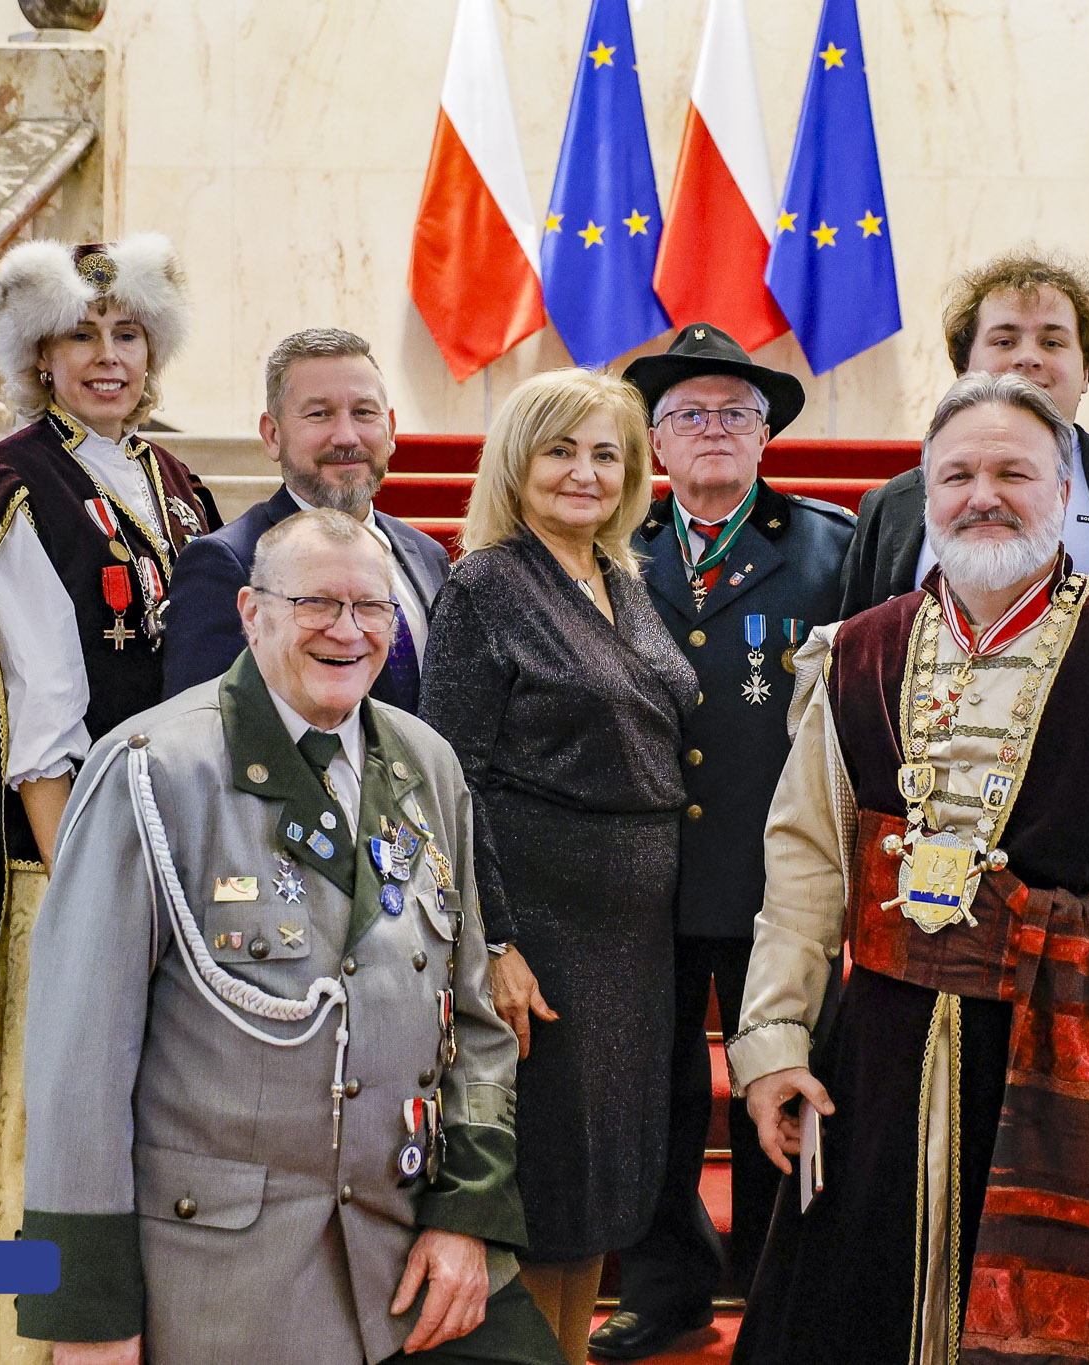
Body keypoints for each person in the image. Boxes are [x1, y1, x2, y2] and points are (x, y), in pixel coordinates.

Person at [729, 371, 1089, 1365]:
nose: (981, 494)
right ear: (925, 496)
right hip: (882, 1057)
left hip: (1080, 1059)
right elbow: (805, 868)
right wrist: (772, 1038)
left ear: (1062, 490)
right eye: (956, 475)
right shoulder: (853, 653)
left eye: (1011, 472)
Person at [15, 509, 561, 1365]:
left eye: (371, 608)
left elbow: (476, 1025)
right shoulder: (153, 773)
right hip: (228, 1277)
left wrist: (465, 1214)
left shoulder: (427, 762)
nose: (348, 631)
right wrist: (90, 1314)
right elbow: (76, 1069)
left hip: (408, 1251)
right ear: (250, 612)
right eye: (316, 603)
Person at [0, 232, 220, 1365]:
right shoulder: (2, 488)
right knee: (57, 1129)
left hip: (175, 857)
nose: (106, 355)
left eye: (127, 333)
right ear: (34, 355)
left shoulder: (173, 482)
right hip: (67, 869)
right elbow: (37, 732)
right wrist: (89, 898)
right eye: (79, 336)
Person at [418, 369, 698, 1364]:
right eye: (560, 450)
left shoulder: (623, 580)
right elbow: (449, 777)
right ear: (516, 463)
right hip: (543, 927)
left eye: (606, 453)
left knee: (598, 1191)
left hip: (630, 938)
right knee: (545, 1190)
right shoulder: (485, 584)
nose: (585, 472)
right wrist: (492, 941)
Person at [587, 324, 854, 1361]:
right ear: (654, 439)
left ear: (764, 437)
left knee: (775, 1083)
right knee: (651, 1095)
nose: (711, 430)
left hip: (775, 874)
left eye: (732, 413)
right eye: (687, 414)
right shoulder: (615, 547)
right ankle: (667, 1289)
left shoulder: (831, 547)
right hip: (645, 876)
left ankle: (776, 1287)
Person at [840, 247, 1089, 630]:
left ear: (1086, 372)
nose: (1028, 358)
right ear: (964, 367)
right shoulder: (891, 506)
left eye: (1052, 342)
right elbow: (857, 648)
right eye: (1004, 341)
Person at [161, 327, 449, 705]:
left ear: (391, 429)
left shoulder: (427, 555)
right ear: (273, 436)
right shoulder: (226, 564)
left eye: (363, 413)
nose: (346, 437)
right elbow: (203, 724)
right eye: (320, 414)